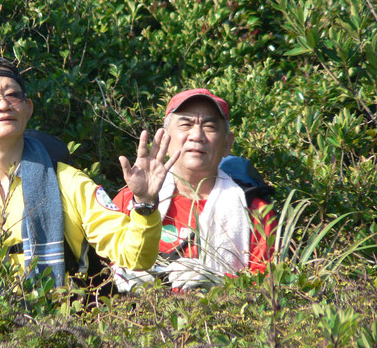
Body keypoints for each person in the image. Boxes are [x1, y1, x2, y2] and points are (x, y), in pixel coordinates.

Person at [0, 56, 180, 287]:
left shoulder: (69, 183)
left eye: (13, 95)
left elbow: (136, 257)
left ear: (28, 109)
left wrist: (145, 204)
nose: (3, 105)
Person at [112, 89, 277, 292]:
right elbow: (97, 268)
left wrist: (220, 284)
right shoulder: (131, 198)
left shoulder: (254, 211)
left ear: (227, 143)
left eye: (209, 127)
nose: (197, 136)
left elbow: (270, 289)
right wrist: (121, 275)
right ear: (164, 138)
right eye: (186, 124)